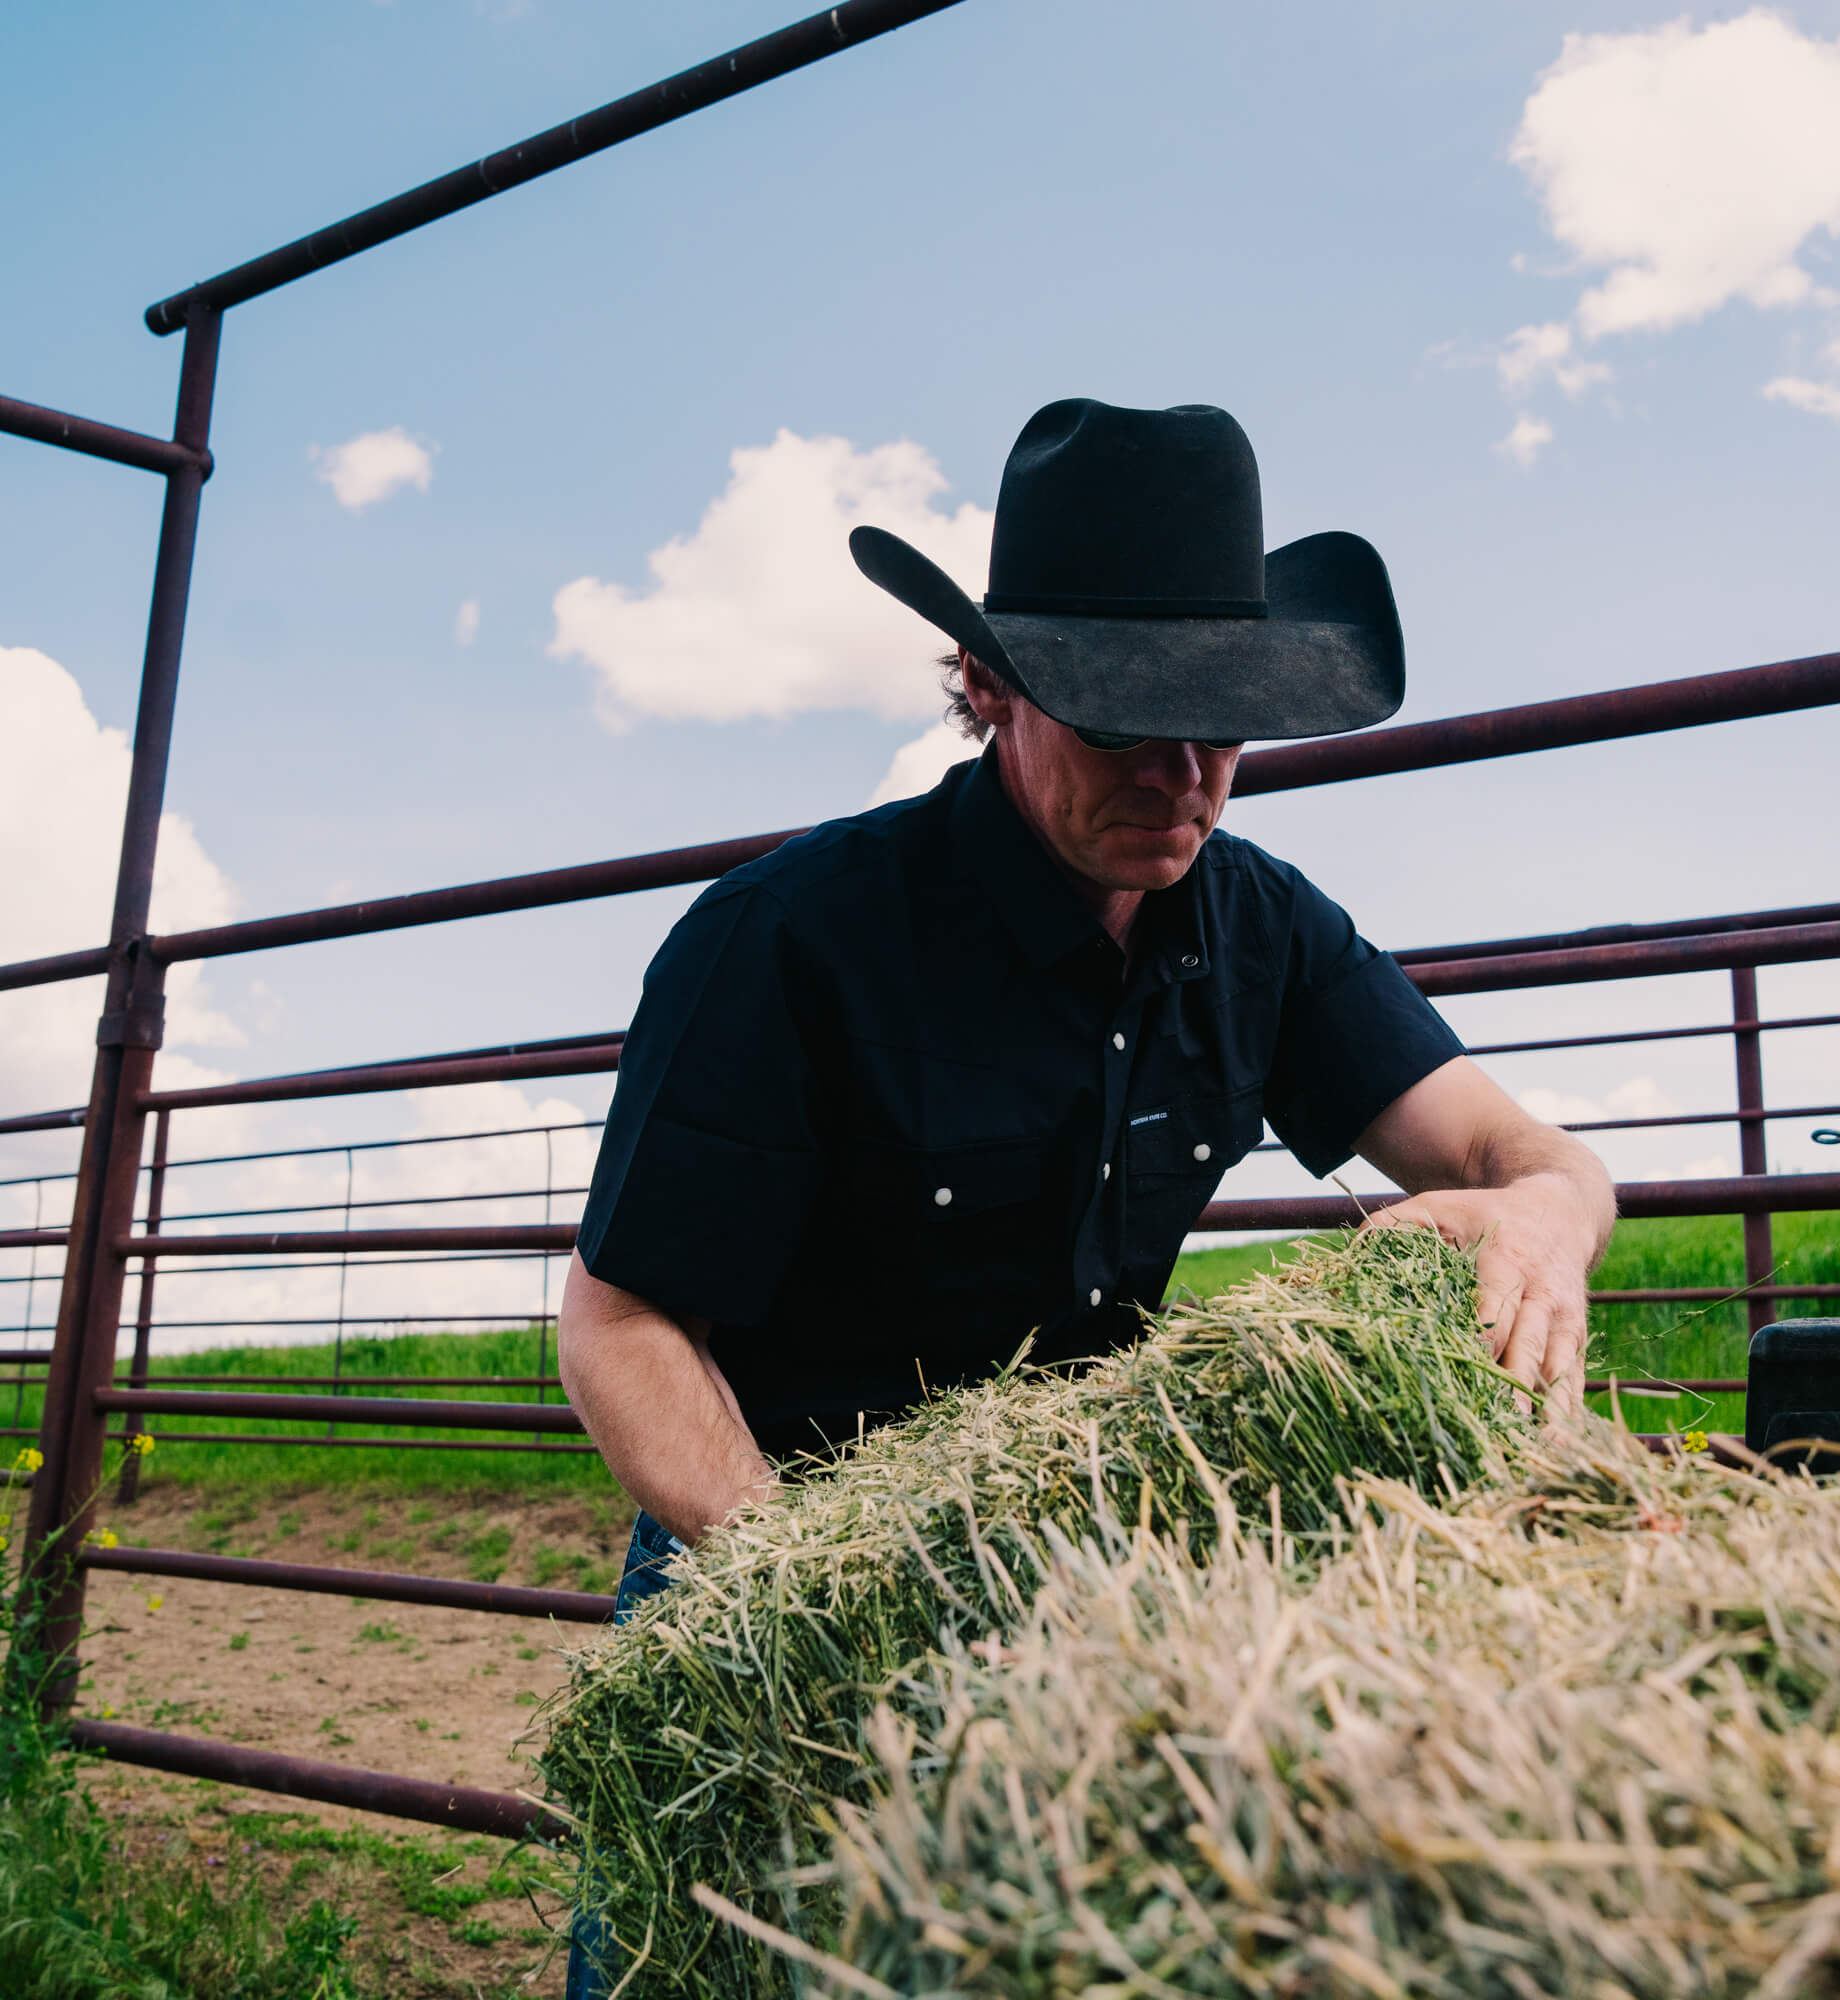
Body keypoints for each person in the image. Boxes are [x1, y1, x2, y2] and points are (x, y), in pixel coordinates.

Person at [558, 397, 1612, 1993]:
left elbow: (1529, 1162)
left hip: (1078, 1573)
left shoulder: (1259, 926)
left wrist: (1545, 1216)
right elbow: (621, 1322)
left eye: (1223, 726)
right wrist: (821, 1593)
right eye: (1127, 720)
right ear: (989, 688)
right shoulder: (787, 939)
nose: (1184, 779)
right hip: (767, 1553)